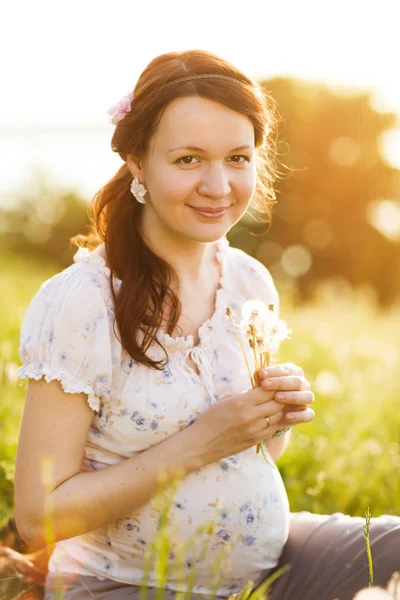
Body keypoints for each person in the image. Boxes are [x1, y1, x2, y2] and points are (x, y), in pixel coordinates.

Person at [13, 50, 399, 600]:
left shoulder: (248, 282)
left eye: (238, 158)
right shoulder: (80, 304)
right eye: (190, 160)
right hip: (123, 584)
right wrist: (202, 442)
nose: (219, 186)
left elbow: (254, 453)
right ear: (137, 163)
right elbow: (37, 519)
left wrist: (273, 417)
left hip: (269, 567)